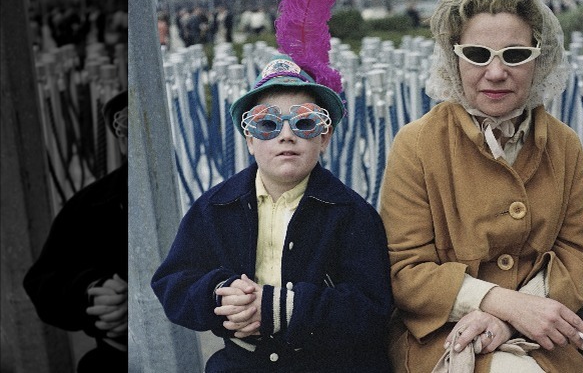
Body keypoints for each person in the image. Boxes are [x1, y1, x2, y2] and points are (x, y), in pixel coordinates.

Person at [379, 0, 583, 372]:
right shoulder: (417, 145)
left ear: (540, 57)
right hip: (441, 335)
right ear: (453, 57)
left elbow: (575, 254)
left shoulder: (565, 146)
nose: (496, 73)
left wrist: (513, 317)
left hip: (543, 337)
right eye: (478, 55)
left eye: (515, 55)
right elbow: (405, 272)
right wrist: (502, 304)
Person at [151, 54, 394, 372]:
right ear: (249, 139)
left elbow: (373, 309)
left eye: (305, 123)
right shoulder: (214, 208)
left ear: (325, 137)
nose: (286, 135)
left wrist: (285, 308)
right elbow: (174, 283)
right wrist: (221, 295)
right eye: (267, 124)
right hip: (243, 361)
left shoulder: (352, 214)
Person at [23, 89, 128, 373]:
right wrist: (92, 293)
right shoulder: (92, 203)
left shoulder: (199, 195)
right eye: (124, 126)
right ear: (120, 141)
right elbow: (42, 281)